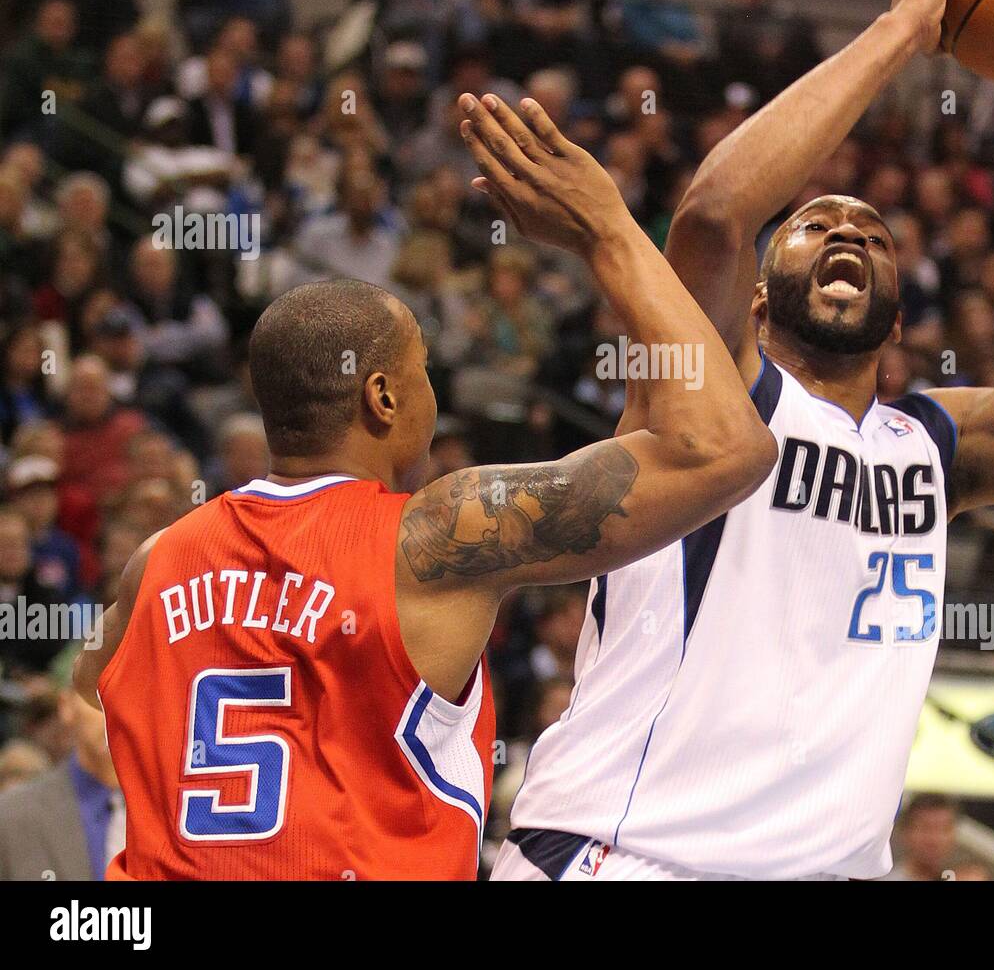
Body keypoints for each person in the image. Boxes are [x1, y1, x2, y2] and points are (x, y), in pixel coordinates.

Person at [494, 0, 994, 881]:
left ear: (900, 317)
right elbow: (715, 215)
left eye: (872, 233)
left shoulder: (934, 447)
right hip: (630, 853)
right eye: (818, 224)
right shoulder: (701, 396)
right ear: (753, 302)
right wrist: (905, 26)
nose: (849, 235)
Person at [72, 94, 776, 880]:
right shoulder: (435, 538)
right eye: (423, 373)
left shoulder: (160, 560)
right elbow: (727, 447)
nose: (432, 395)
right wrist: (608, 229)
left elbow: (86, 694)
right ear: (383, 397)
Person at [0, 647, 124, 880]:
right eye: (99, 695)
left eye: (130, 692)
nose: (115, 711)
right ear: (66, 706)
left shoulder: (190, 816)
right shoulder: (11, 818)